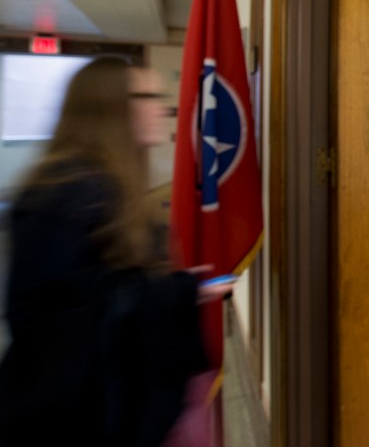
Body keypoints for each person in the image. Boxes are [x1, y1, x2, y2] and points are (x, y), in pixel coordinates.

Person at [0, 57, 228, 446]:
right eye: (146, 96)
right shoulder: (71, 193)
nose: (162, 107)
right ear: (109, 109)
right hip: (71, 419)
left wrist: (175, 287)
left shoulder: (102, 183)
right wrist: (179, 292)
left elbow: (110, 288)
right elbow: (72, 316)